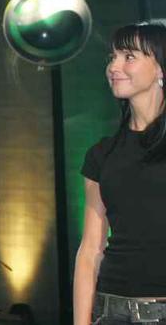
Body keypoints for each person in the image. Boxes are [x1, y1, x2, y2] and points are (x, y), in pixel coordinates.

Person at [74, 22, 166, 324]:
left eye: (129, 57)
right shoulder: (101, 154)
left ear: (160, 68)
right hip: (112, 311)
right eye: (112, 57)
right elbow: (90, 249)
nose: (114, 66)